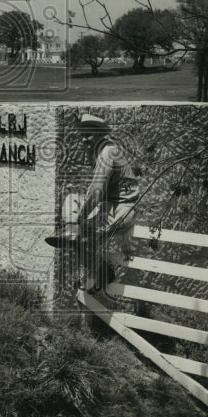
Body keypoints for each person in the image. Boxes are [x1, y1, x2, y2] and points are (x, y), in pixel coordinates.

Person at [45, 113, 139, 294]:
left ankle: (102, 269)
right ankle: (72, 233)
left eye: (88, 135)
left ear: (99, 134)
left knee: (82, 234)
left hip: (121, 209)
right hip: (108, 206)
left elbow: (96, 194)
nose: (84, 140)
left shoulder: (106, 153)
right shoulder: (102, 151)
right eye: (82, 136)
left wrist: (81, 217)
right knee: (72, 199)